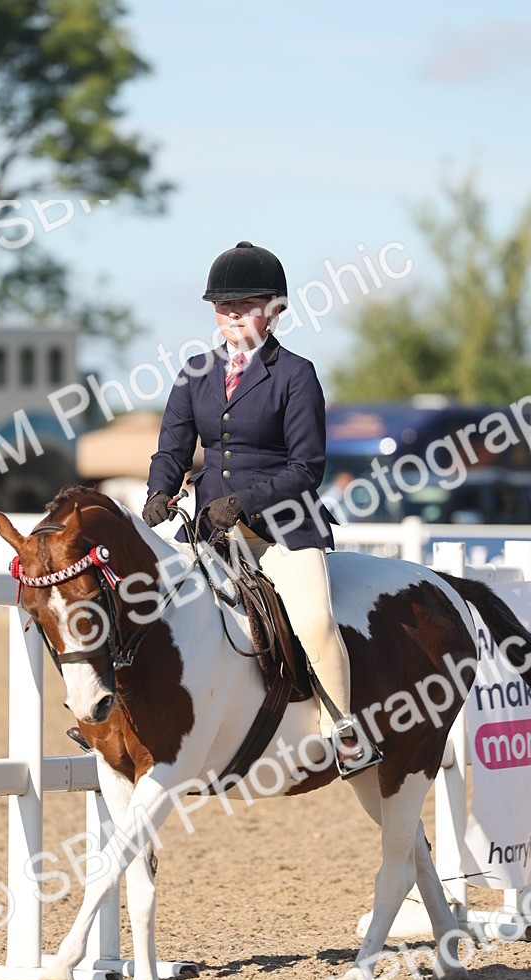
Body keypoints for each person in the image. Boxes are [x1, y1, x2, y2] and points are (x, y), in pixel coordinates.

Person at [142, 241, 381, 777]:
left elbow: (306, 468)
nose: (231, 314)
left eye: (245, 304)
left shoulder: (295, 374)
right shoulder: (194, 373)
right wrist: (159, 491)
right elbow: (172, 449)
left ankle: (343, 729)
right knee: (147, 604)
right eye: (223, 306)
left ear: (274, 308)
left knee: (316, 619)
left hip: (283, 529)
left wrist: (242, 503)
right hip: (211, 529)